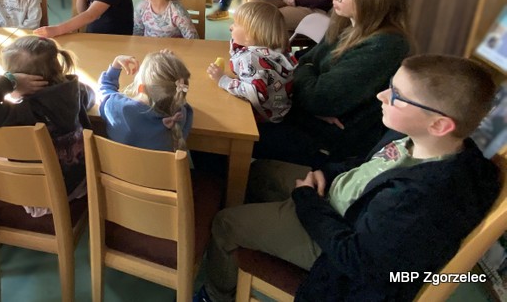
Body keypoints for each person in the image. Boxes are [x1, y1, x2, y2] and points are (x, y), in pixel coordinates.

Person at [194, 55, 501, 302]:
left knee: (225, 223)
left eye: (397, 95)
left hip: (334, 241)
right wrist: (325, 173)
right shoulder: (413, 136)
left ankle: (216, 294)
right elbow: (364, 164)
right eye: (390, 86)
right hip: (333, 198)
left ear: (439, 125)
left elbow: (355, 258)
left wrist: (306, 200)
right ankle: (258, 234)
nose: (382, 95)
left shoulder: (420, 200)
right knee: (260, 171)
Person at [253, 0, 413, 166]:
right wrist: (307, 71)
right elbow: (302, 59)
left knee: (230, 135)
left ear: (373, 1)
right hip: (303, 114)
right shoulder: (347, 25)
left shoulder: (386, 45)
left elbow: (317, 97)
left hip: (327, 140)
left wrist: (306, 72)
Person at [0, 35, 95, 200]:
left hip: (40, 192)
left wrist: (9, 82)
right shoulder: (76, 91)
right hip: (79, 180)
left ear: (23, 80)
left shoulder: (24, 112)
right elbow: (91, 96)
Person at [206, 1, 297, 123]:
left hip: (262, 117)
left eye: (236, 24)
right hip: (281, 109)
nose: (230, 27)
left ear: (250, 35)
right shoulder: (275, 50)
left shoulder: (250, 58)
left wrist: (222, 80)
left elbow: (252, 93)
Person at [99, 51, 192, 153]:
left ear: (141, 88)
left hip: (116, 163)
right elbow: (180, 99)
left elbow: (103, 91)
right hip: (159, 164)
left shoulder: (118, 108)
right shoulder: (181, 115)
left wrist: (115, 66)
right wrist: (170, 69)